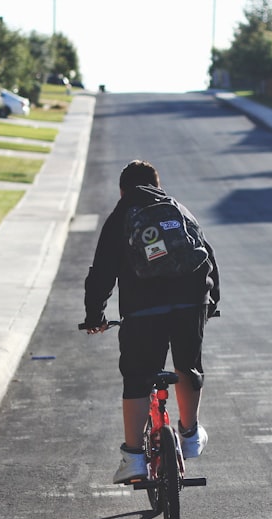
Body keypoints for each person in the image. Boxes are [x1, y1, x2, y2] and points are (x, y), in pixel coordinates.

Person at [83, 160, 220, 484]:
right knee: (188, 365)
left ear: (122, 190)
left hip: (143, 309)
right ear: (158, 184)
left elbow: (101, 272)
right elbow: (208, 257)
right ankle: (189, 434)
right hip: (190, 302)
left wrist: (94, 316)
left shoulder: (121, 217)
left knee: (137, 377)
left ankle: (133, 457)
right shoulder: (179, 210)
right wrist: (209, 304)